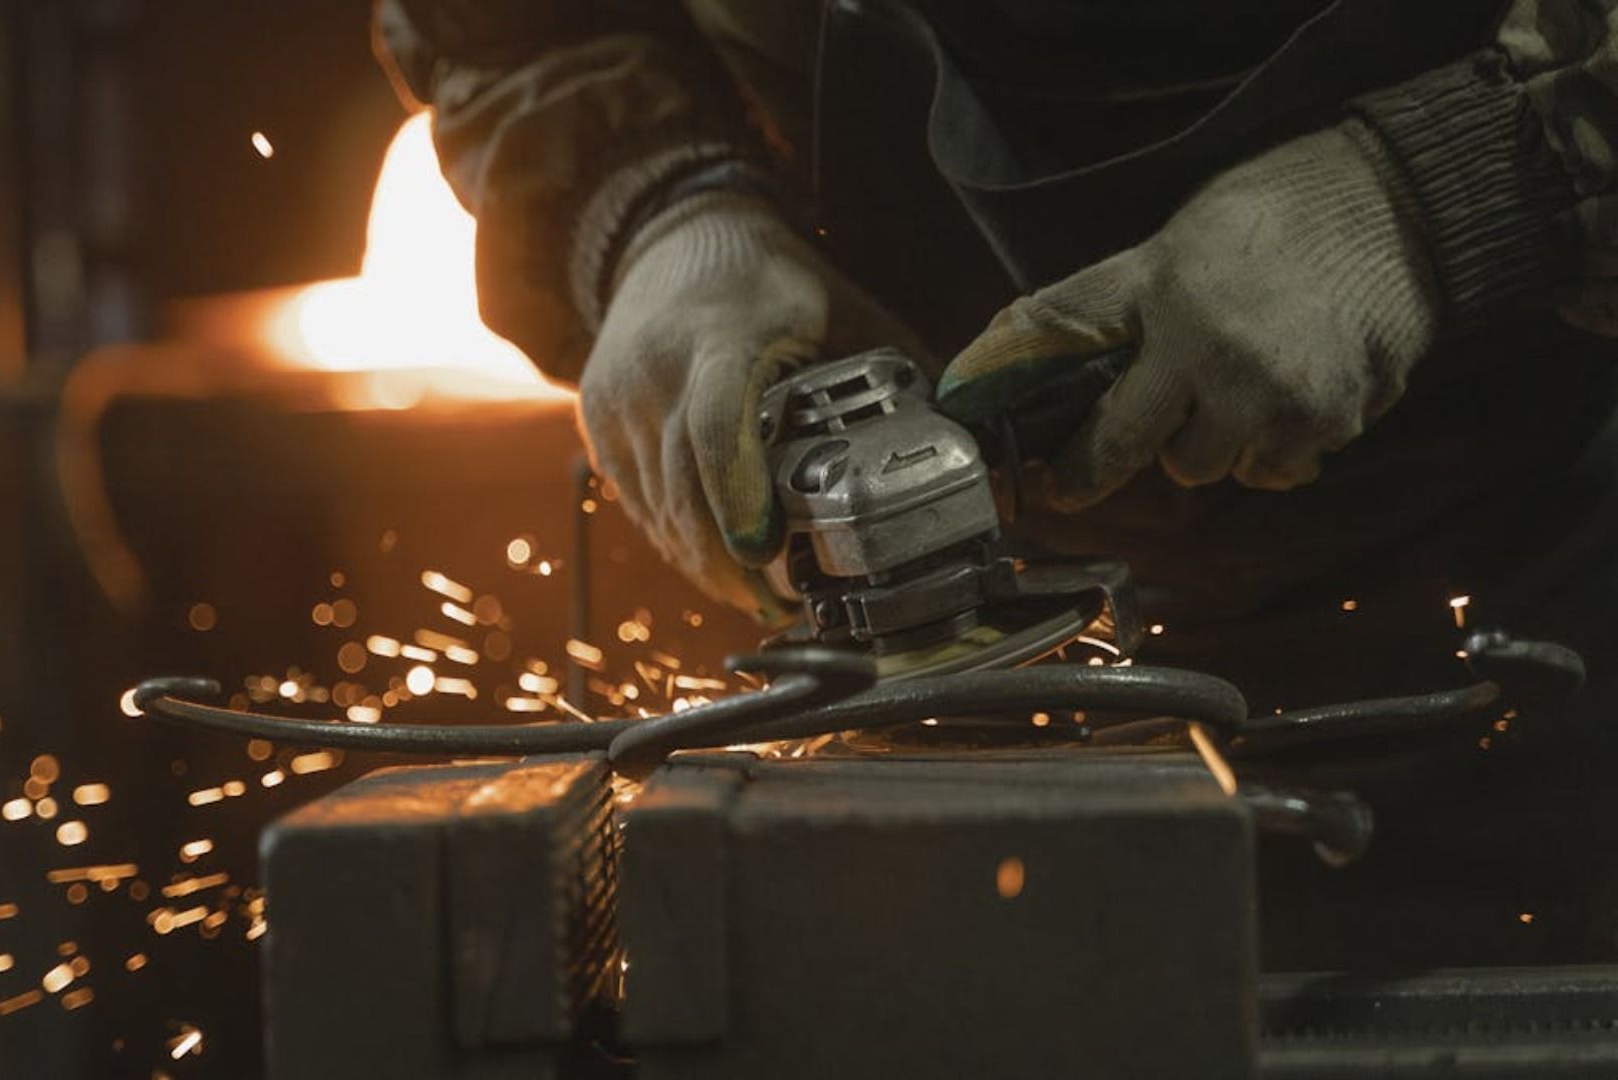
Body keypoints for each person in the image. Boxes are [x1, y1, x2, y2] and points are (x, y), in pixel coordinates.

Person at [375, 1, 1618, 966]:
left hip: (1532, 566)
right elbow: (511, 29)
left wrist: (1458, 188)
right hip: (984, 648)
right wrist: (659, 206)